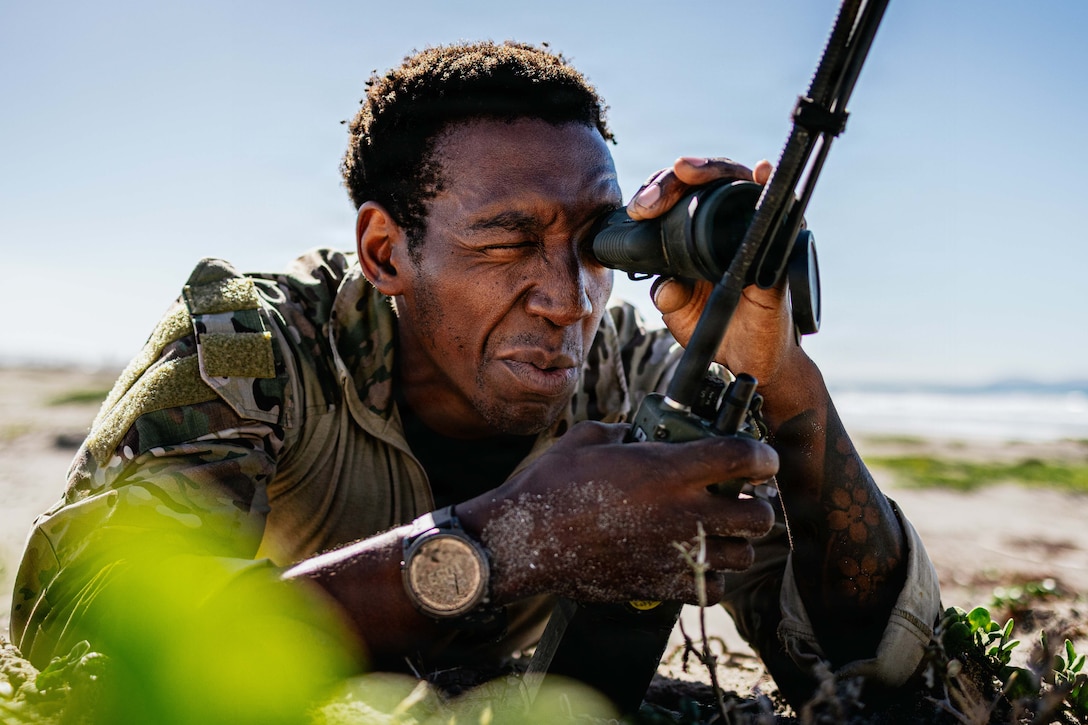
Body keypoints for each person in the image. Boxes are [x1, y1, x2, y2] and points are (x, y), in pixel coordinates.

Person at [10, 41, 940, 710]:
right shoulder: (252, 345)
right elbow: (89, 652)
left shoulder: (635, 372)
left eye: (595, 245)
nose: (569, 298)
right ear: (385, 251)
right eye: (508, 242)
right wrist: (506, 539)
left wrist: (783, 383)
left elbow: (873, 672)